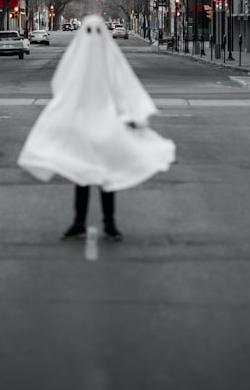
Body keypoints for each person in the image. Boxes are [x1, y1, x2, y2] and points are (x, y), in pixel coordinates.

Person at [18, 15, 176, 242]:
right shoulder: (78, 63)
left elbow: (123, 89)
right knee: (83, 177)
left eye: (96, 32)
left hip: (106, 126)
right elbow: (64, 90)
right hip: (84, 127)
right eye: (89, 32)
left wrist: (132, 116)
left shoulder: (108, 63)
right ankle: (81, 223)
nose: (93, 38)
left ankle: (108, 224)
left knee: (105, 178)